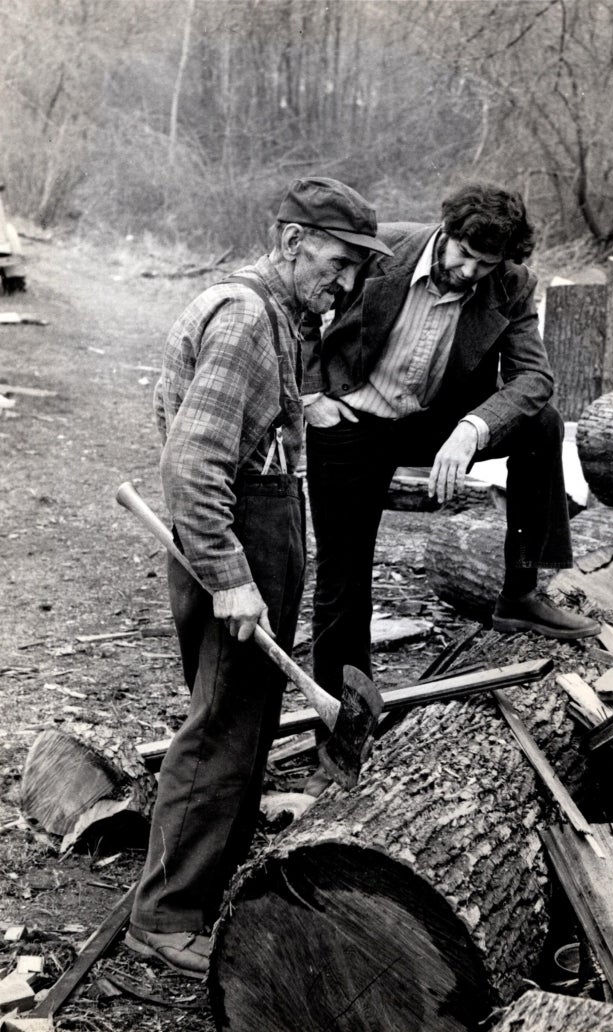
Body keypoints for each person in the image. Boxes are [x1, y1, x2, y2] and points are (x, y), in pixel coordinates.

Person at [125, 177, 392, 977]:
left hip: (252, 538)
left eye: (355, 270)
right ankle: (165, 917)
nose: (344, 284)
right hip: (232, 544)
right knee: (220, 730)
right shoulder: (246, 318)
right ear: (290, 243)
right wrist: (230, 575)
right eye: (337, 262)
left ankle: (203, 889)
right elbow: (196, 462)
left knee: (240, 727)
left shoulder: (275, 317)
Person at [302, 183, 600, 791]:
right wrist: (310, 396)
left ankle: (520, 592)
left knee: (539, 422)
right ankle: (336, 740)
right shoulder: (381, 250)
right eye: (462, 254)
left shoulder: (511, 285)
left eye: (485, 265)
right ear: (446, 230)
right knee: (342, 579)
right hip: (352, 419)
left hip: (435, 423)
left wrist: (473, 428)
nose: (468, 271)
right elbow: (302, 305)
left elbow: (534, 378)